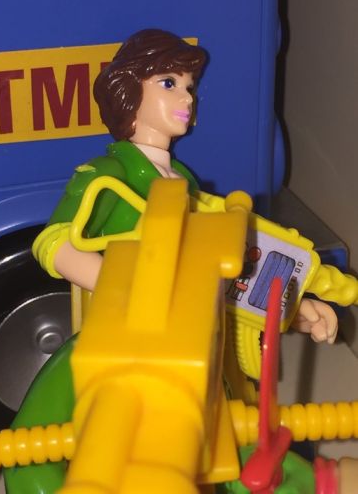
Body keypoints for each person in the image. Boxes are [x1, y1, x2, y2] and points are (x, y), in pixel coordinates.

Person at [33, 28, 337, 344]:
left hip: (189, 331)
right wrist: (131, 289)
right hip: (130, 334)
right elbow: (54, 244)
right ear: (128, 89)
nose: (187, 98)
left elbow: (221, 263)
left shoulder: (181, 178)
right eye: (169, 83)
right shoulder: (111, 173)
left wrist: (292, 308)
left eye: (189, 87)